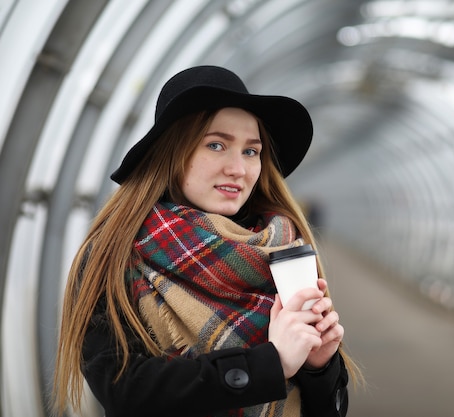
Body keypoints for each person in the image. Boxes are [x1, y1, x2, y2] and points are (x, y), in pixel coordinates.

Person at [53, 66, 359, 417]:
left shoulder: (283, 249)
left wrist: (318, 367)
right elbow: (125, 391)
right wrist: (269, 364)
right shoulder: (115, 255)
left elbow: (329, 409)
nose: (238, 169)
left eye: (251, 151)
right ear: (171, 153)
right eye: (216, 145)